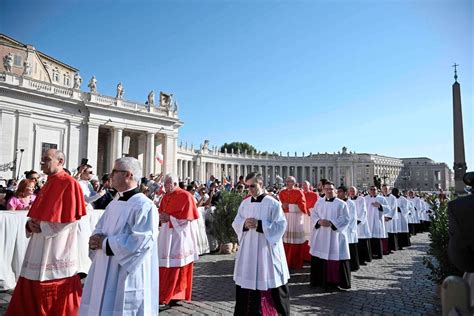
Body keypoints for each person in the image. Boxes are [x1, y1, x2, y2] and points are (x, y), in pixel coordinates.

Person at [6, 149, 86, 316]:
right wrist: (30, 225)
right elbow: (37, 214)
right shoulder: (48, 183)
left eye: (47, 159)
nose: (42, 162)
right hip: (38, 244)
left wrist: (43, 227)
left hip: (57, 246)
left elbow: (71, 219)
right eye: (42, 159)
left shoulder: (69, 183)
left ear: (60, 162)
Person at [79, 157, 159, 315]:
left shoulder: (144, 205)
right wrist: (95, 239)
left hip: (127, 273)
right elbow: (100, 227)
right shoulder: (115, 202)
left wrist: (106, 243)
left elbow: (141, 242)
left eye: (115, 171)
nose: (110, 175)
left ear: (128, 175)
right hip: (104, 267)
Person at [232, 172, 290, 315]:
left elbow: (281, 226)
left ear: (261, 184)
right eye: (247, 187)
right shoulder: (245, 203)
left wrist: (260, 225)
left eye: (253, 186)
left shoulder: (273, 203)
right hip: (249, 250)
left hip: (267, 251)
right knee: (247, 283)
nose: (249, 189)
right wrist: (244, 223)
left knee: (270, 283)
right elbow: (236, 222)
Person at [158, 173, 199, 311]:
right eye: (164, 184)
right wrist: (162, 218)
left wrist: (169, 218)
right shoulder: (165, 197)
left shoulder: (186, 196)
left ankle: (172, 295)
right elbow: (161, 212)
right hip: (166, 235)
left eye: (167, 184)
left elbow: (187, 220)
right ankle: (169, 295)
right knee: (165, 265)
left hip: (179, 236)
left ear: (175, 183)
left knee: (175, 266)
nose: (165, 187)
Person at [309, 181, 351, 290]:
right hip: (321, 235)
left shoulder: (341, 204)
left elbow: (346, 219)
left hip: (335, 236)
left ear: (335, 190)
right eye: (327, 189)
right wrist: (318, 221)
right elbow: (314, 215)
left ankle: (334, 282)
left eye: (331, 189)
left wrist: (332, 223)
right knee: (320, 257)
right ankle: (319, 281)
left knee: (334, 257)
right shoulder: (319, 202)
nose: (329, 191)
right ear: (323, 190)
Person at [279, 176, 308, 269]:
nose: (287, 183)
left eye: (290, 181)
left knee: (295, 241)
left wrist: (289, 206)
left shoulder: (299, 192)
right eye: (286, 181)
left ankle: (295, 262)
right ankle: (285, 261)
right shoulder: (282, 192)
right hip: (286, 217)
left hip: (296, 218)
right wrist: (282, 206)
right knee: (286, 240)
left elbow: (303, 206)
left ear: (294, 183)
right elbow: (279, 204)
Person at [337, 185, 359, 271]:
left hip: (348, 229)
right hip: (340, 229)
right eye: (338, 192)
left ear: (345, 193)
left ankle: (353, 265)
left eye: (340, 192)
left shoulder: (351, 203)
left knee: (350, 247)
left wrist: (345, 226)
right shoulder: (337, 202)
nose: (338, 193)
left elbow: (352, 217)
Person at [364, 186, 390, 259]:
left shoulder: (381, 198)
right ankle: (370, 254)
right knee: (369, 239)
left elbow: (388, 209)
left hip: (377, 220)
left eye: (374, 189)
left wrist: (380, 206)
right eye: (371, 189)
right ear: (369, 190)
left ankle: (378, 254)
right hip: (368, 220)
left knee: (377, 239)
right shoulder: (365, 199)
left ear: (377, 190)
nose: (372, 191)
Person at [348, 186, 372, 265]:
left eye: (353, 191)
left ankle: (363, 259)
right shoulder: (347, 200)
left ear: (356, 192)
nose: (352, 192)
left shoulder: (361, 199)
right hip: (351, 224)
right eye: (350, 191)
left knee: (362, 242)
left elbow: (363, 210)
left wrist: (358, 220)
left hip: (360, 223)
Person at [302, 180, 318, 261]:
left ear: (309, 186)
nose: (304, 187)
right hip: (302, 217)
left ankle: (310, 255)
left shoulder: (314, 195)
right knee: (302, 236)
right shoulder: (300, 194)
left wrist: (309, 210)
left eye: (306, 185)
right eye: (303, 185)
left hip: (310, 217)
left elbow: (316, 207)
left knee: (310, 235)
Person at [381, 184, 398, 254]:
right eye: (383, 189)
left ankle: (390, 248)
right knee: (383, 234)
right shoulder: (380, 197)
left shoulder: (393, 198)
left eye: (386, 189)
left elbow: (393, 208)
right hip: (382, 218)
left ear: (389, 190)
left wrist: (389, 217)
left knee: (390, 233)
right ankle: (384, 248)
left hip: (389, 219)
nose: (385, 190)